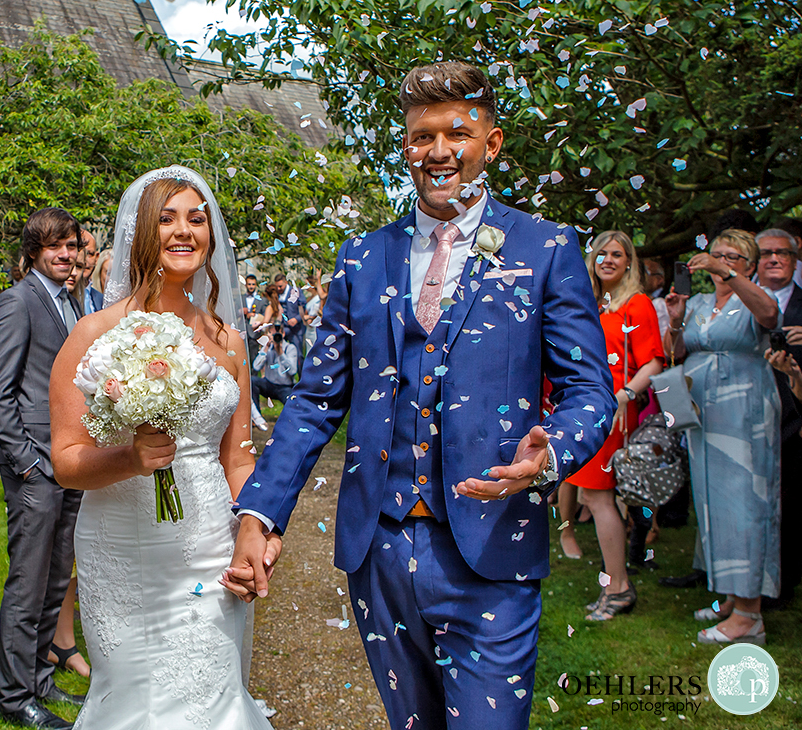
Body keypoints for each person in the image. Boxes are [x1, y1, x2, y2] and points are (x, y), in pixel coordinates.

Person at [224, 62, 613, 730]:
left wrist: (551, 455)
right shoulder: (361, 257)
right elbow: (315, 400)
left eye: (456, 133)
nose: (437, 152)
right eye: (419, 137)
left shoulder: (544, 248)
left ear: (491, 143)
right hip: (379, 552)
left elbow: (589, 389)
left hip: (491, 546)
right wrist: (262, 513)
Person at [48, 165, 277, 729]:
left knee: (214, 698)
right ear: (141, 234)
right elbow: (65, 462)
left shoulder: (229, 342)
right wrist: (130, 457)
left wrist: (254, 530)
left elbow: (239, 457)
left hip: (207, 544)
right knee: (136, 700)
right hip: (123, 547)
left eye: (196, 219)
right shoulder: (94, 335)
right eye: (167, 218)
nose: (184, 231)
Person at [0, 208, 86, 730]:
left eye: (70, 245)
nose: (65, 255)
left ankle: (41, 680)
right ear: (32, 252)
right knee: (27, 584)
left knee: (54, 579)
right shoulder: (17, 302)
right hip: (36, 468)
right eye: (54, 247)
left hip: (70, 464)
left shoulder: (69, 300)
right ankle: (13, 698)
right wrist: (26, 462)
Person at [664, 229, 781, 643]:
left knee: (746, 501)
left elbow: (769, 316)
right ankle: (732, 596)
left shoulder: (754, 296)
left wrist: (729, 275)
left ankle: (750, 615)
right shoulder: (697, 303)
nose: (721, 262)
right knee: (713, 503)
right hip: (703, 411)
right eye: (716, 255)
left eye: (733, 257)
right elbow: (675, 350)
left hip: (744, 409)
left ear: (748, 265)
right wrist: (676, 324)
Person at [560, 231, 664, 620]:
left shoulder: (637, 305)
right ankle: (616, 581)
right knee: (594, 497)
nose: (607, 260)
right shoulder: (592, 304)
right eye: (601, 253)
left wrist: (625, 396)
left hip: (615, 408)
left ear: (629, 262)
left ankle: (618, 587)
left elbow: (653, 361)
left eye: (616, 254)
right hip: (591, 406)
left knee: (599, 498)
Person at [756, 228, 802, 608]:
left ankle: (783, 584)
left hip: (794, 413)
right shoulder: (742, 300)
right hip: (752, 408)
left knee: (788, 501)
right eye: (766, 253)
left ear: (794, 259)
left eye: (782, 253)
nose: (774, 258)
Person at [251, 324, 299, 407]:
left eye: (277, 334)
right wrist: (266, 348)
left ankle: (287, 419)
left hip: (285, 387)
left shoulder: (290, 348)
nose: (275, 337)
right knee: (252, 381)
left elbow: (293, 371)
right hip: (269, 384)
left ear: (283, 334)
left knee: (292, 404)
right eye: (272, 334)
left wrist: (280, 353)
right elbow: (256, 366)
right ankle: (257, 417)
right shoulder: (267, 348)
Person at [274, 272, 306, 360]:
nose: (278, 288)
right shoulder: (276, 294)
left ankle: (301, 373)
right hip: (283, 329)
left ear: (286, 283)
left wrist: (296, 319)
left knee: (298, 355)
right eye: (277, 286)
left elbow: (304, 309)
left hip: (296, 329)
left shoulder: (296, 291)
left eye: (280, 286)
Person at [79, 229, 103, 316]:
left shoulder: (101, 299)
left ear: (97, 258)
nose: (85, 260)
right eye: (80, 252)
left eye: (89, 254)